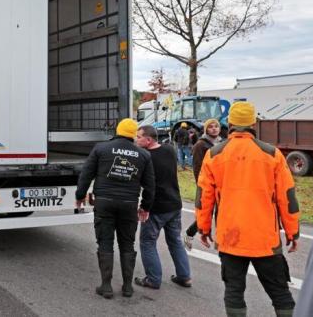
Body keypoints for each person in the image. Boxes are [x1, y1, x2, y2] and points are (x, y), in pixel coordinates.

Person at [196, 102, 299, 317]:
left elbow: (203, 199)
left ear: (230, 123)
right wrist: (293, 232)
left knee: (234, 291)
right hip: (265, 240)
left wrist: (203, 228)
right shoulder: (272, 154)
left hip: (230, 238)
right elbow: (287, 198)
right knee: (280, 292)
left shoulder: (214, 154)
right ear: (254, 123)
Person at [75, 118, 155, 299]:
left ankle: (106, 286)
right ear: (134, 134)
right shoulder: (143, 155)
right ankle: (127, 287)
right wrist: (145, 207)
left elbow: (86, 175)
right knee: (127, 244)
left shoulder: (101, 149)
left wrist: (80, 196)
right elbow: (150, 186)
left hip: (104, 202)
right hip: (129, 204)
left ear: (117, 131)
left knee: (105, 242)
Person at [134, 125, 192, 289]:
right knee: (175, 241)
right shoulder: (170, 150)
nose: (136, 140)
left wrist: (144, 207)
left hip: (157, 207)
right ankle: (185, 276)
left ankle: (153, 279)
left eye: (139, 137)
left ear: (148, 140)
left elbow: (149, 186)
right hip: (174, 204)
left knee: (147, 242)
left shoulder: (145, 157)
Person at [183, 118, 221, 250]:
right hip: (207, 184)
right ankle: (189, 233)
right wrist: (202, 186)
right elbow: (198, 167)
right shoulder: (201, 145)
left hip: (220, 183)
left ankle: (219, 239)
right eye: (210, 127)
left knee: (220, 212)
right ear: (206, 129)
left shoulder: (220, 143)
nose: (214, 129)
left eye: (216, 126)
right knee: (206, 211)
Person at [294, 220, 313, 316]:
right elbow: (289, 207)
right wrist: (292, 235)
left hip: (250, 242)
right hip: (268, 245)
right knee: (278, 291)